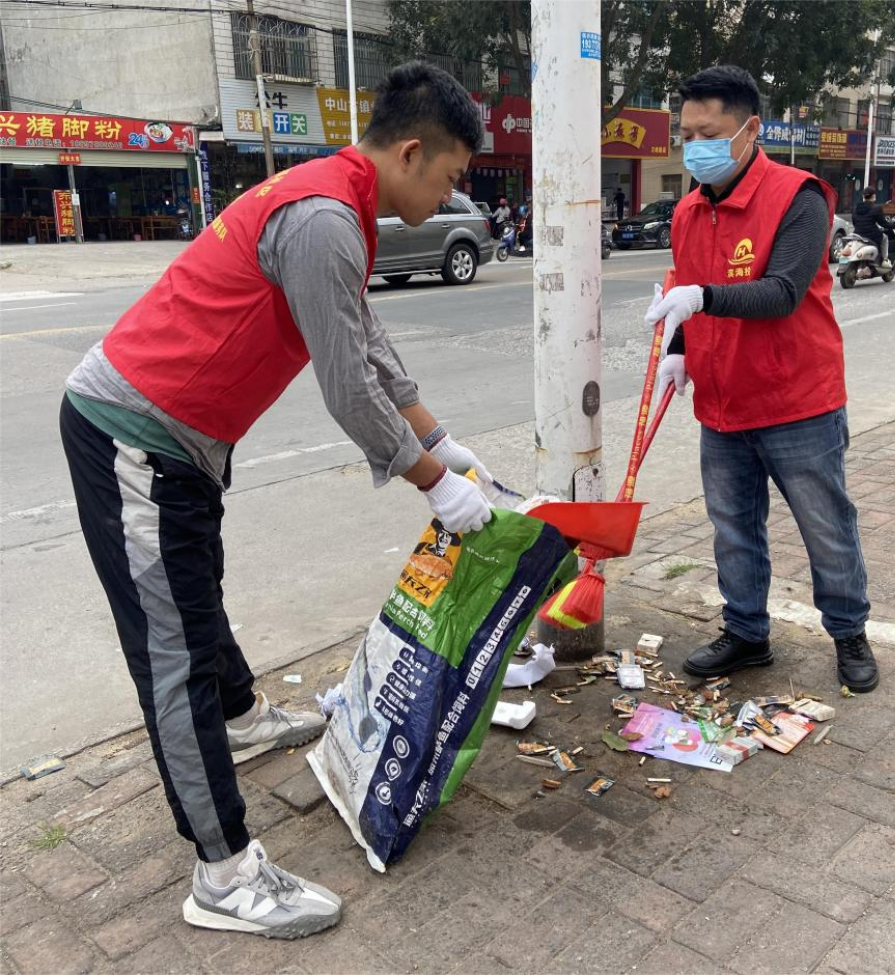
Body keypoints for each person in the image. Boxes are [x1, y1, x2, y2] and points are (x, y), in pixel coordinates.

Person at [59, 62, 494, 941]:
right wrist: (432, 481)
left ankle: (243, 718)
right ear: (412, 152)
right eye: (450, 177)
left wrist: (439, 437)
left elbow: (365, 340)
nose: (452, 197)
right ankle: (222, 873)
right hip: (133, 436)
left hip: (181, 441)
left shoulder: (339, 201)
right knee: (174, 651)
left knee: (195, 592)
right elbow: (348, 387)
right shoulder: (325, 217)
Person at [643, 65, 877, 695]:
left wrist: (701, 298)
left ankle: (849, 632)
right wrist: (680, 349)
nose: (695, 147)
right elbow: (690, 290)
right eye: (686, 135)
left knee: (825, 526)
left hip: (797, 401)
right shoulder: (688, 210)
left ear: (750, 130)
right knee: (733, 528)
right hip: (723, 404)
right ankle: (746, 633)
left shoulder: (799, 197)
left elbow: (781, 293)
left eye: (709, 134)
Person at [852, 186, 893, 269]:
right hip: (872, 235)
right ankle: (884, 260)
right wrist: (894, 225)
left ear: (863, 196)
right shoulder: (877, 208)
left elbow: (854, 222)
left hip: (857, 234)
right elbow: (883, 224)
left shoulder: (855, 208)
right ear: (873, 196)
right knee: (885, 238)